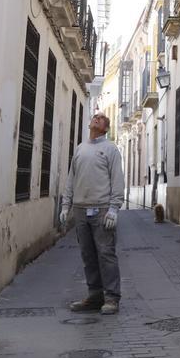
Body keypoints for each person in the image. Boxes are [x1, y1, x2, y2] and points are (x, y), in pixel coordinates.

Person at [60, 113, 125, 315]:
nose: (97, 118)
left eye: (102, 118)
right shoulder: (80, 149)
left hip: (102, 209)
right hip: (80, 210)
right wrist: (65, 205)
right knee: (88, 255)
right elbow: (71, 178)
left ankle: (112, 297)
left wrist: (114, 208)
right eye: (95, 116)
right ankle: (95, 296)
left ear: (106, 128)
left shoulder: (111, 149)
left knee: (106, 254)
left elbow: (117, 179)